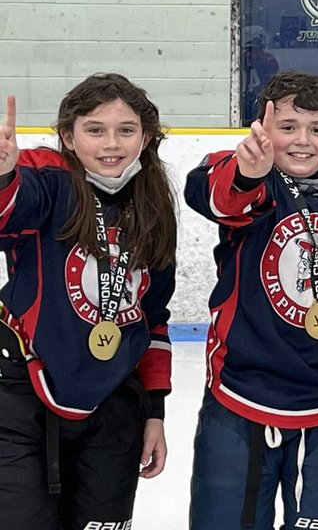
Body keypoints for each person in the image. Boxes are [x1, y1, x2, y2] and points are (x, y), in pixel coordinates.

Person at [185, 71, 318, 530]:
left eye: (317, 129)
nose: (302, 141)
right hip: (240, 400)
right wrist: (248, 172)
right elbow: (213, 194)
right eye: (287, 127)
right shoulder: (254, 188)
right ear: (263, 130)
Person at [0, 74, 175, 529]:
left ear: (147, 135)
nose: (110, 143)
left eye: (126, 129)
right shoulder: (46, 178)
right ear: (67, 136)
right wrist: (2, 175)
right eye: (94, 129)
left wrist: (154, 412)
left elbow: (153, 321)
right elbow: (9, 211)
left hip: (113, 405)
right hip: (20, 397)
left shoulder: (153, 204)